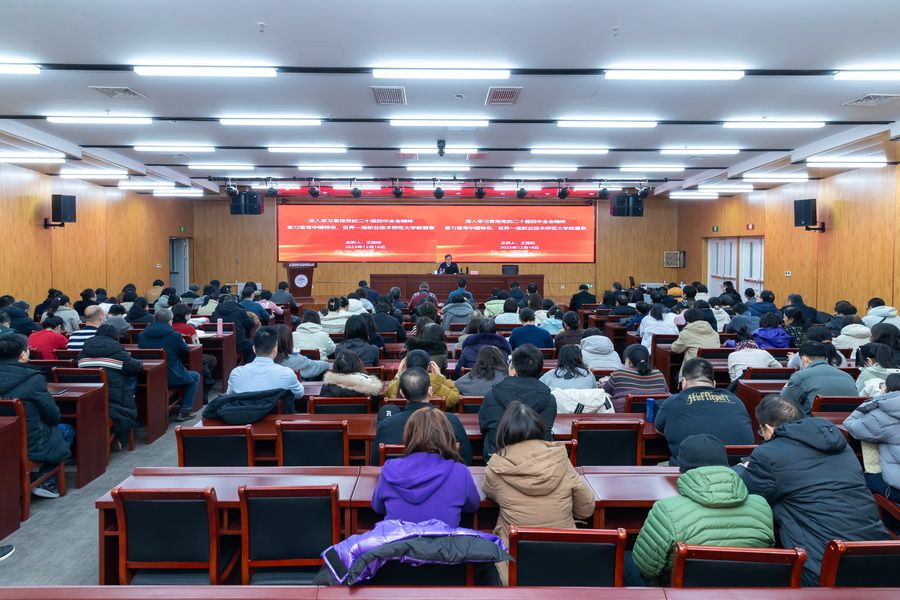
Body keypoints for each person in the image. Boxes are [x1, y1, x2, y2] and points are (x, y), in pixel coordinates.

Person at [736, 396, 888, 586]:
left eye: (761, 431)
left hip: (823, 568)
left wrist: (742, 468)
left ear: (768, 428)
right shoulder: (841, 445)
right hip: (879, 558)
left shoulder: (769, 454)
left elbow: (747, 489)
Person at [630, 434, 774, 585]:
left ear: (682, 469)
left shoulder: (666, 509)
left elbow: (646, 568)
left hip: (681, 593)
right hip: (746, 590)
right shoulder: (762, 506)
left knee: (626, 563)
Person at [482, 401, 595, 586]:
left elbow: (489, 491)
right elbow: (586, 509)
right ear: (540, 429)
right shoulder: (560, 459)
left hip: (515, 565)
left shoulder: (496, 467)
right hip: (567, 558)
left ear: (505, 432)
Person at [372, 407, 479, 526]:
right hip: (442, 538)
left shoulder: (390, 469)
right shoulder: (460, 472)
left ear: (409, 434)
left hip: (398, 538)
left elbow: (378, 507)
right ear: (447, 434)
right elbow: (472, 506)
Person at [0, 334, 74, 498]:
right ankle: (45, 480)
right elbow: (53, 416)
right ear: (23, 355)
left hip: (4, 438)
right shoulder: (33, 379)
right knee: (66, 430)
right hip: (28, 440)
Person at [656, 358, 754, 466]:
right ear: (714, 383)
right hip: (735, 469)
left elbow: (659, 430)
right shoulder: (735, 400)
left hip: (689, 469)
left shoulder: (672, 402)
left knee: (659, 466)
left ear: (684, 382)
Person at [374, 367, 473, 465]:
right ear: (430, 391)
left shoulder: (386, 425)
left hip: (399, 475)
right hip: (442, 475)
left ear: (402, 393)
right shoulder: (451, 421)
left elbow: (375, 462)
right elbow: (467, 459)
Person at [479, 344, 556, 459]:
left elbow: (484, 427)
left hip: (499, 456)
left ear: (513, 371)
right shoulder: (549, 398)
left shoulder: (491, 396)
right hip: (538, 459)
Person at [77, 324, 142, 448]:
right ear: (115, 336)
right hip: (112, 397)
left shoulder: (83, 351)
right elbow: (136, 366)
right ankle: (120, 434)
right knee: (132, 378)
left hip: (88, 397)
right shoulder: (116, 351)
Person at [844, 376, 900, 505]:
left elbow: (850, 424)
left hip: (897, 488)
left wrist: (875, 400)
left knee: (857, 478)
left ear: (887, 388)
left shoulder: (881, 415)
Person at [138, 309, 202, 420]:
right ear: (170, 321)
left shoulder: (142, 335)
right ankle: (185, 411)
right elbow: (185, 351)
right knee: (195, 376)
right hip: (171, 376)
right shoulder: (174, 336)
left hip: (148, 376)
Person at [226, 326, 304, 401]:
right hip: (275, 410)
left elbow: (229, 396)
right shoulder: (287, 373)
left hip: (244, 410)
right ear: (275, 349)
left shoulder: (236, 373)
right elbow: (299, 394)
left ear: (254, 349)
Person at [781, 341, 858, 415]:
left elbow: (784, 402)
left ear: (804, 359)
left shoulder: (800, 376)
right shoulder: (847, 376)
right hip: (847, 421)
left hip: (812, 422)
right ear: (826, 359)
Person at [600, 344, 669, 413]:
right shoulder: (658, 374)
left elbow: (604, 391)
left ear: (628, 360)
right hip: (655, 414)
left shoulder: (619, 373)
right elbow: (666, 392)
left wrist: (604, 382)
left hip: (623, 415)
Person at [385, 349, 460, 410]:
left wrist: (398, 376)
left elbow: (388, 392)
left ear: (405, 366)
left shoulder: (399, 383)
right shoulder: (437, 382)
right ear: (428, 367)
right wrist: (441, 377)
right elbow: (455, 396)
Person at [671, 308, 720, 373]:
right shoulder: (715, 333)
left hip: (693, 370)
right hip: (711, 369)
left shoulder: (686, 333)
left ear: (686, 320)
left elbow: (676, 349)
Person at [212, 295, 256, 363]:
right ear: (236, 302)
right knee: (253, 345)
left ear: (224, 302)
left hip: (218, 343)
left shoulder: (216, 312)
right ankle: (247, 365)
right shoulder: (241, 311)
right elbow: (250, 324)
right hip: (237, 343)